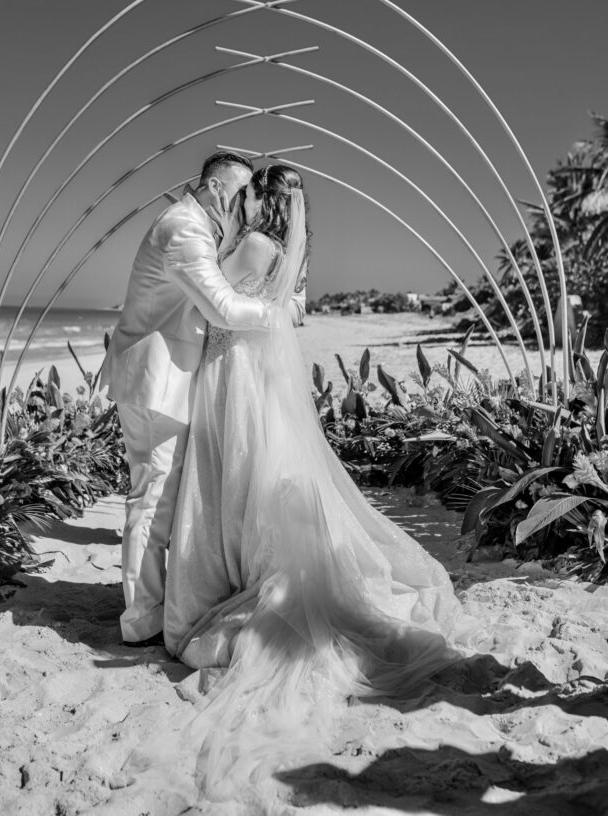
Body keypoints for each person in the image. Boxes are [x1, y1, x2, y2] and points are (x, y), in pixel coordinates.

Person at [161, 164, 467, 791]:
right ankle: (244, 565)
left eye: (251, 191)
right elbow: (286, 311)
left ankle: (231, 576)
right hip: (262, 379)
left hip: (234, 376)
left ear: (263, 199)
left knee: (233, 475)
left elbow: (215, 304)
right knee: (259, 474)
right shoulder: (290, 255)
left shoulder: (252, 245)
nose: (244, 198)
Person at [100, 151, 304, 646]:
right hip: (156, 380)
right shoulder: (184, 229)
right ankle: (141, 619)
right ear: (217, 189)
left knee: (162, 499)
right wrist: (279, 314)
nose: (245, 208)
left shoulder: (205, 229)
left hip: (175, 377)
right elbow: (221, 306)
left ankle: (154, 605)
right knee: (151, 501)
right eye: (240, 196)